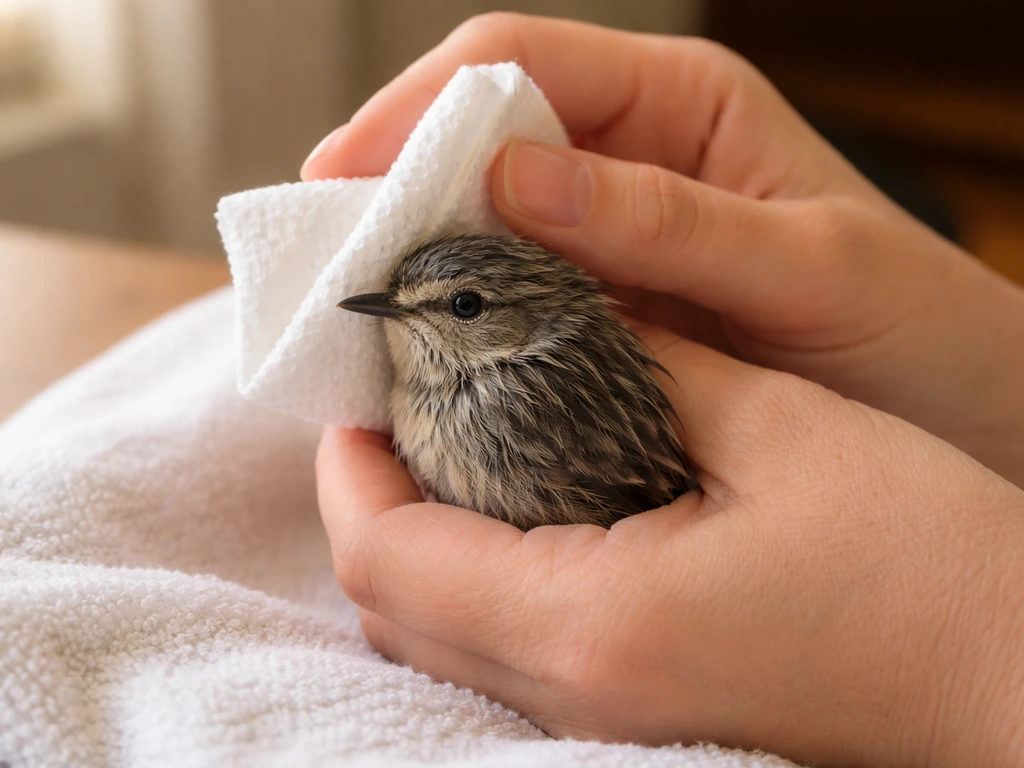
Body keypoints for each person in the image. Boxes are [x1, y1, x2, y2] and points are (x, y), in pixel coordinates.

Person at [304, 14, 1024, 768]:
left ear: (524, 325)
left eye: (462, 307)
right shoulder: (444, 388)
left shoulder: (514, 404)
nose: (408, 320)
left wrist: (964, 670)